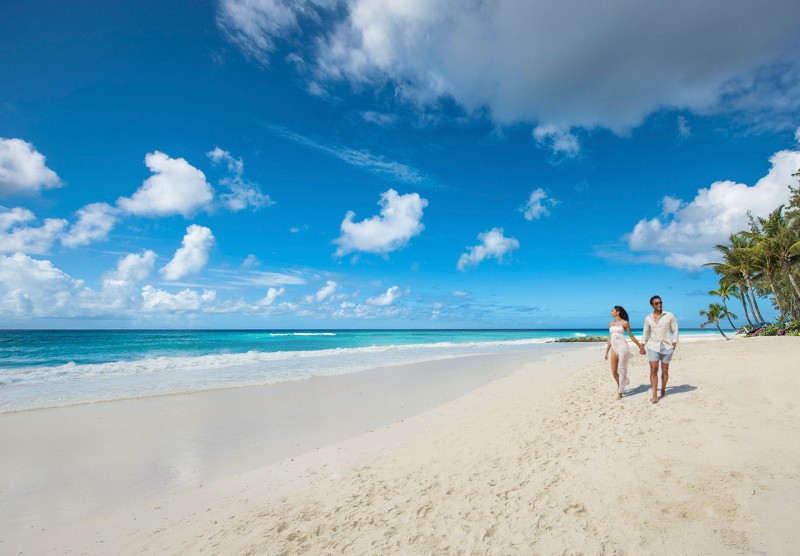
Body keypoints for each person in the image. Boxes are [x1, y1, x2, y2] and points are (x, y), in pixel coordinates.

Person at [642, 295, 679, 403]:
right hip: (653, 346)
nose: (659, 304)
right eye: (656, 303)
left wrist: (674, 343)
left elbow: (675, 329)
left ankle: (663, 389)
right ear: (652, 305)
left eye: (660, 302)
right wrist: (642, 345)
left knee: (665, 370)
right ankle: (654, 395)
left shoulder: (669, 315)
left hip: (667, 346)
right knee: (653, 370)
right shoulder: (648, 318)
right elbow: (646, 333)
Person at [604, 305, 644, 400]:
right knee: (614, 371)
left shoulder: (625, 323)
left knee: (621, 370)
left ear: (618, 312)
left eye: (613, 310)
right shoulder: (610, 324)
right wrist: (606, 351)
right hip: (614, 347)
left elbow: (631, 336)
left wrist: (640, 347)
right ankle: (621, 385)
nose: (611, 312)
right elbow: (610, 338)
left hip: (622, 347)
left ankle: (620, 392)